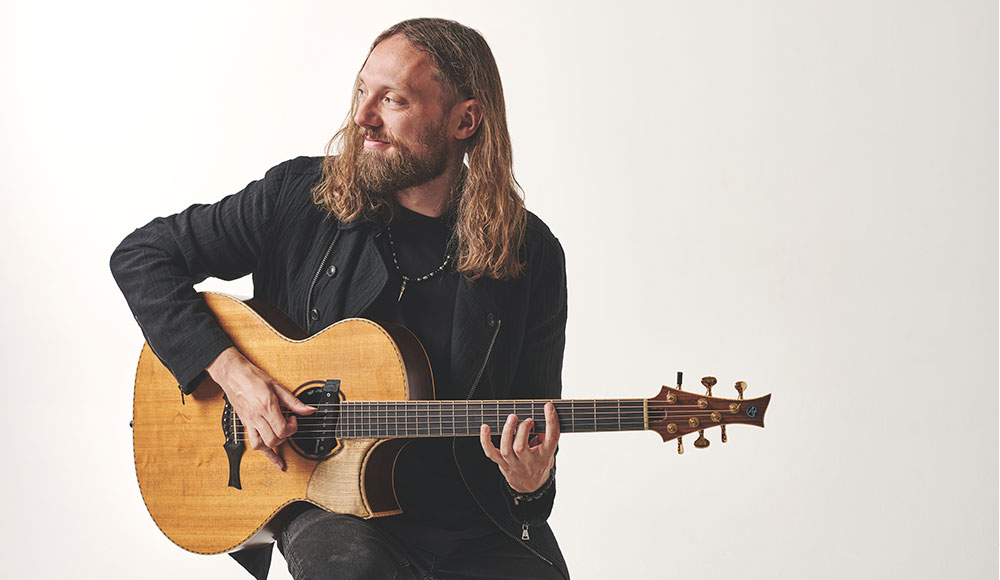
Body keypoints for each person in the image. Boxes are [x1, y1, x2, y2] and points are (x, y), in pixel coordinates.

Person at [111, 17, 570, 580]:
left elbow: (534, 441)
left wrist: (530, 481)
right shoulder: (299, 198)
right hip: (328, 507)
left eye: (393, 99)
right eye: (361, 91)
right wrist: (234, 374)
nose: (362, 118)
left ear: (464, 120)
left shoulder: (528, 253)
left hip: (469, 520)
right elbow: (141, 257)